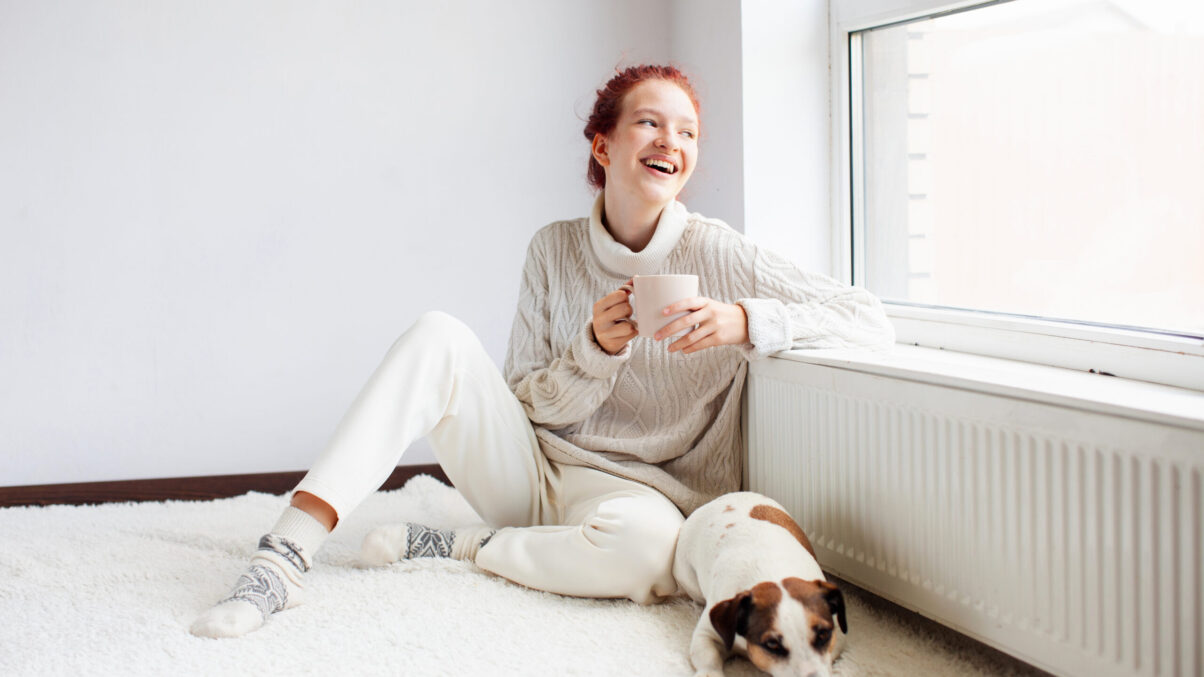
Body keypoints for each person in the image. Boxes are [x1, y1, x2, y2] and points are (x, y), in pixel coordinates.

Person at [190, 64, 894, 638]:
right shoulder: (553, 249)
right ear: (603, 145)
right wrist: (594, 350)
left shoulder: (717, 250)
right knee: (438, 332)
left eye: (688, 131)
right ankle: (281, 560)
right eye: (650, 121)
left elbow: (865, 316)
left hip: (647, 495)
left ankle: (462, 547)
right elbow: (522, 395)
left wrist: (744, 319)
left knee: (652, 555)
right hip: (533, 468)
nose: (670, 140)